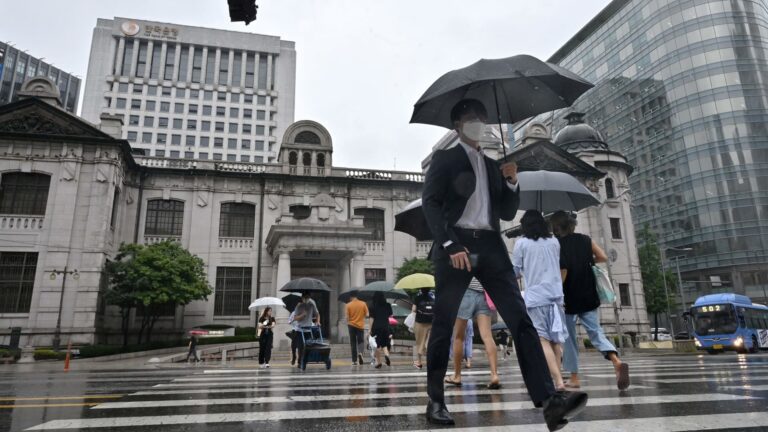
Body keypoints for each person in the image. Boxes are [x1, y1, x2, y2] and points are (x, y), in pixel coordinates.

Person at [421, 98, 587, 429]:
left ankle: (550, 401)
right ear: (457, 125)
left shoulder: (493, 165)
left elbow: (508, 213)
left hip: (492, 248)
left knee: (520, 319)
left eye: (481, 118)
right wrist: (450, 242)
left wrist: (511, 181)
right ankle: (436, 400)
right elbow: (431, 203)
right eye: (470, 118)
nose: (477, 123)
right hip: (457, 246)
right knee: (443, 325)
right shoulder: (445, 159)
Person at [550, 211, 630, 390]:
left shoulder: (557, 244)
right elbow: (602, 257)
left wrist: (557, 291)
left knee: (569, 338)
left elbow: (563, 270)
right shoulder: (586, 240)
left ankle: (574, 378)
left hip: (568, 297)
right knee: (596, 332)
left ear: (557, 228)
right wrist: (586, 260)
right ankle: (616, 361)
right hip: (588, 294)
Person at [512, 210, 569, 391]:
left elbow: (516, 271)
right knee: (556, 340)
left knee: (542, 339)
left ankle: (558, 380)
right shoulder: (554, 242)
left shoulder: (521, 243)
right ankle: (558, 379)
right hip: (556, 296)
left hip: (536, 298)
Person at [445, 278, 502, 389]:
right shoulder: (488, 259)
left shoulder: (461, 259)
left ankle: (457, 376)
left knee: (459, 337)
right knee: (487, 336)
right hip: (484, 295)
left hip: (466, 292)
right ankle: (494, 375)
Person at [291, 292, 320, 368]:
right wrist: (302, 315)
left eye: (308, 298)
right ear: (302, 298)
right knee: (300, 347)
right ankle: (299, 361)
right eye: (305, 298)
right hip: (300, 329)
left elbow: (317, 314)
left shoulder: (312, 305)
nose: (307, 299)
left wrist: (318, 321)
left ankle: (305, 360)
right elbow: (295, 318)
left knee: (308, 346)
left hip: (308, 329)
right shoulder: (299, 306)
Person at [412, 287, 434, 369]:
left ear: (421, 290)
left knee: (420, 342)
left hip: (420, 322)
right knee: (429, 343)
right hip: (431, 322)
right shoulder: (432, 298)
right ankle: (430, 362)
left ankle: (419, 362)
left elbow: (414, 309)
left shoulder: (418, 298)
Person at [345, 290, 370, 366]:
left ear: (351, 297)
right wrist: (361, 316)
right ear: (357, 296)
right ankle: (360, 353)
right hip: (360, 325)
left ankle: (354, 361)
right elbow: (367, 314)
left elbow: (347, 317)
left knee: (353, 343)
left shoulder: (348, 305)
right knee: (360, 342)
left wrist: (350, 321)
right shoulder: (363, 304)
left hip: (351, 325)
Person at [369, 292, 393, 368]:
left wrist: (369, 329)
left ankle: (379, 362)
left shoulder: (373, 306)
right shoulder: (388, 305)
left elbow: (371, 319)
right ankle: (386, 355)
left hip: (376, 327)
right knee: (384, 343)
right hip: (386, 327)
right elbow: (390, 315)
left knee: (377, 345)